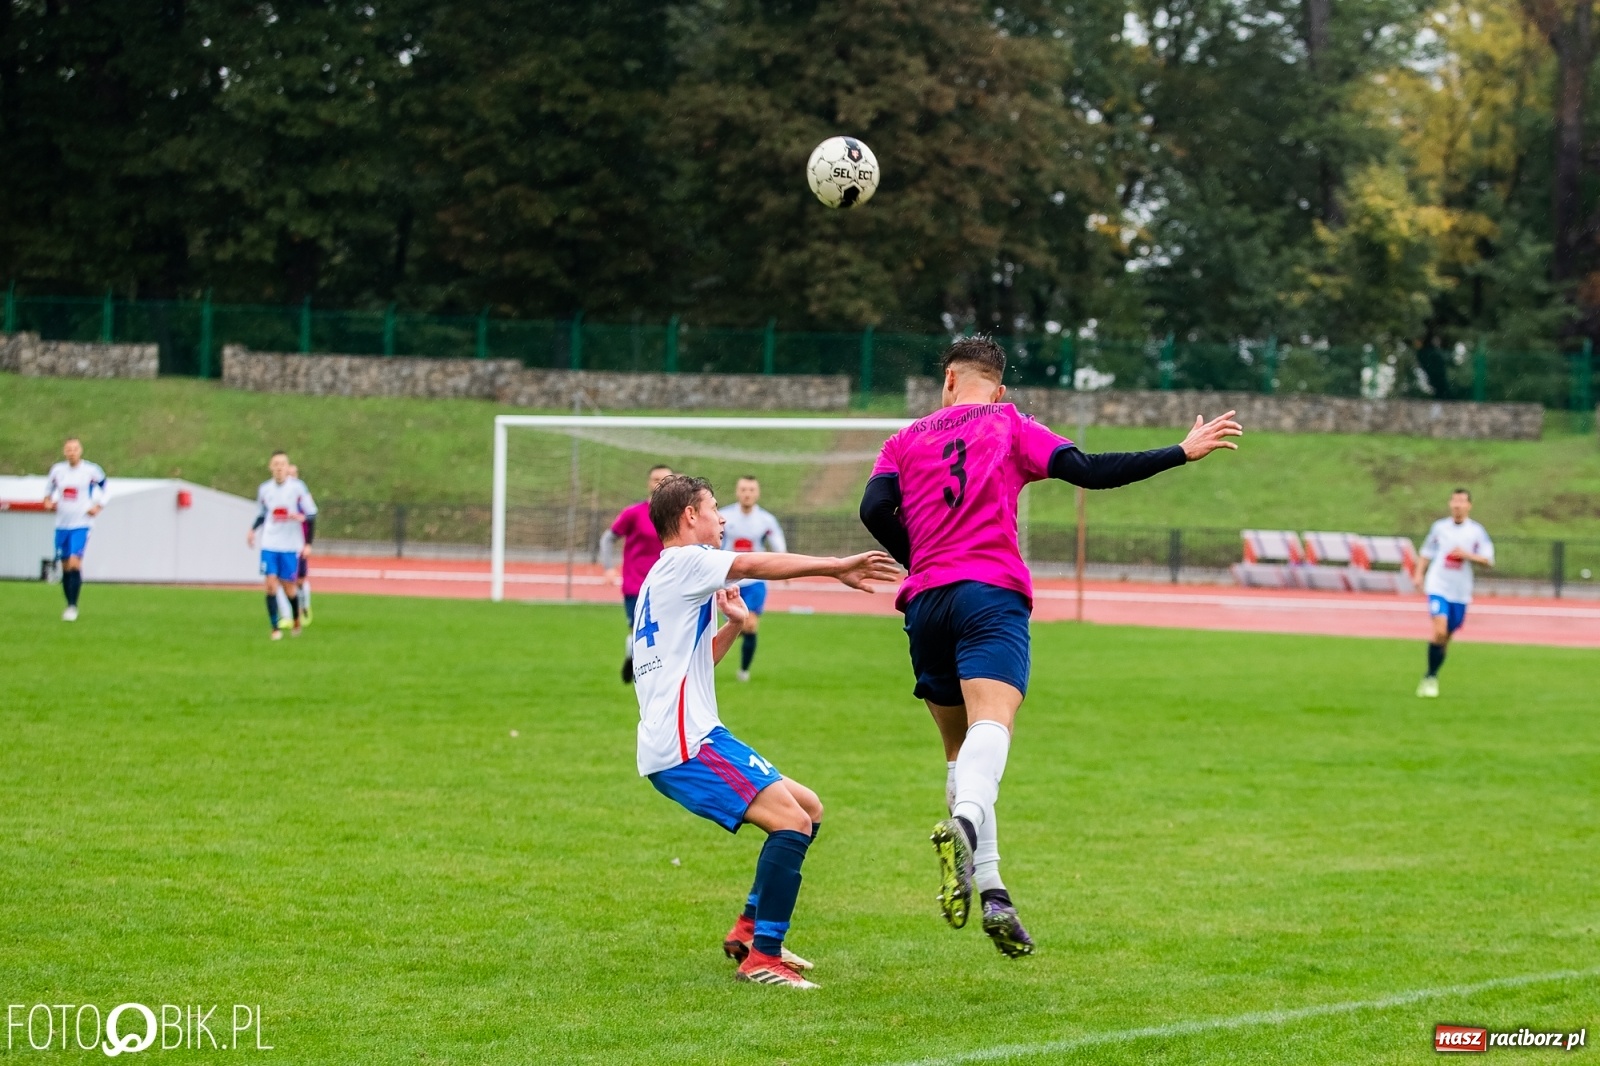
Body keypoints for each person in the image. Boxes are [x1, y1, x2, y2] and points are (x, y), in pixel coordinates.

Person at [859, 336, 1242, 957]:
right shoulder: (1011, 423)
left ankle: (993, 891)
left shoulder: (902, 440)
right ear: (998, 387)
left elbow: (874, 507)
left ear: (950, 379)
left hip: (927, 602)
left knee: (960, 752)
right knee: (995, 723)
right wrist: (1180, 450)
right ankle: (964, 822)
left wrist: (921, 559)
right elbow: (1087, 470)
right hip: (989, 593)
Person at [633, 474, 899, 989]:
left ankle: (749, 932)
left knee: (809, 809)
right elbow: (756, 564)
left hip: (692, 737)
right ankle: (763, 958)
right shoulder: (686, 562)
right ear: (690, 516)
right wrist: (836, 566)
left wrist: (732, 623)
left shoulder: (659, 579)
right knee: (792, 825)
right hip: (686, 745)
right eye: (713, 509)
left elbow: (695, 666)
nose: (723, 518)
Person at [1411, 488, 1494, 698]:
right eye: (1454, 501)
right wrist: (1419, 574)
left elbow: (1488, 560)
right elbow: (1426, 552)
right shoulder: (1440, 528)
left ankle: (1432, 674)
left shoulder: (1476, 531)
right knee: (1438, 631)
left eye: (1462, 501)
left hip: (1460, 591)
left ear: (1469, 506)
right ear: (1450, 504)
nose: (1457, 505)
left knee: (1446, 637)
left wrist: (1467, 555)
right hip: (1438, 585)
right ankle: (1430, 677)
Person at [602, 464, 673, 683]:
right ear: (648, 483)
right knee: (641, 630)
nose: (660, 483)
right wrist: (608, 568)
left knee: (666, 632)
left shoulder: (678, 516)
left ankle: (643, 664)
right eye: (655, 479)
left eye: (665, 479)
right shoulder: (634, 513)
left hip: (668, 584)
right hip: (637, 584)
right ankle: (641, 670)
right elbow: (608, 538)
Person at [719, 475, 788, 681]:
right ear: (737, 492)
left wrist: (785, 566)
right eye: (743, 489)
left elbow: (778, 543)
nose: (747, 494)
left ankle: (743, 671)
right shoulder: (724, 516)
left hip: (756, 580)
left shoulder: (765, 520)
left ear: (757, 493)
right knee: (736, 625)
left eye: (751, 490)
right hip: (729, 579)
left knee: (750, 625)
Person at [248, 452, 317, 641]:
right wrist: (253, 530)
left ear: (288, 468)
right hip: (269, 543)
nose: (279, 467)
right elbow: (262, 514)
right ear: (270, 467)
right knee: (270, 585)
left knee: (289, 589)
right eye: (275, 464)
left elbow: (312, 514)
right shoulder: (264, 489)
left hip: (289, 545)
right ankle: (274, 627)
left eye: (282, 464)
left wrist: (308, 542)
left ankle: (295, 618)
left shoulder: (298, 488)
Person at [42, 437, 108, 622]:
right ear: (65, 452)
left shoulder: (91, 470)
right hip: (62, 524)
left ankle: (73, 606)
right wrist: (47, 502)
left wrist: (98, 506)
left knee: (74, 563)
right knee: (64, 566)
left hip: (81, 523)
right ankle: (68, 604)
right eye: (68, 449)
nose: (72, 452)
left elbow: (106, 489)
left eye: (75, 449)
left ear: (80, 451)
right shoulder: (57, 471)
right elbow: (48, 492)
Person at [274, 463, 315, 628]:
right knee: (279, 579)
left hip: (298, 545)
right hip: (281, 545)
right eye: (287, 473)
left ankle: (305, 608)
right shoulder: (278, 496)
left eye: (292, 474)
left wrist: (307, 544)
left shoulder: (303, 498)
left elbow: (311, 518)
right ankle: (286, 616)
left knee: (299, 580)